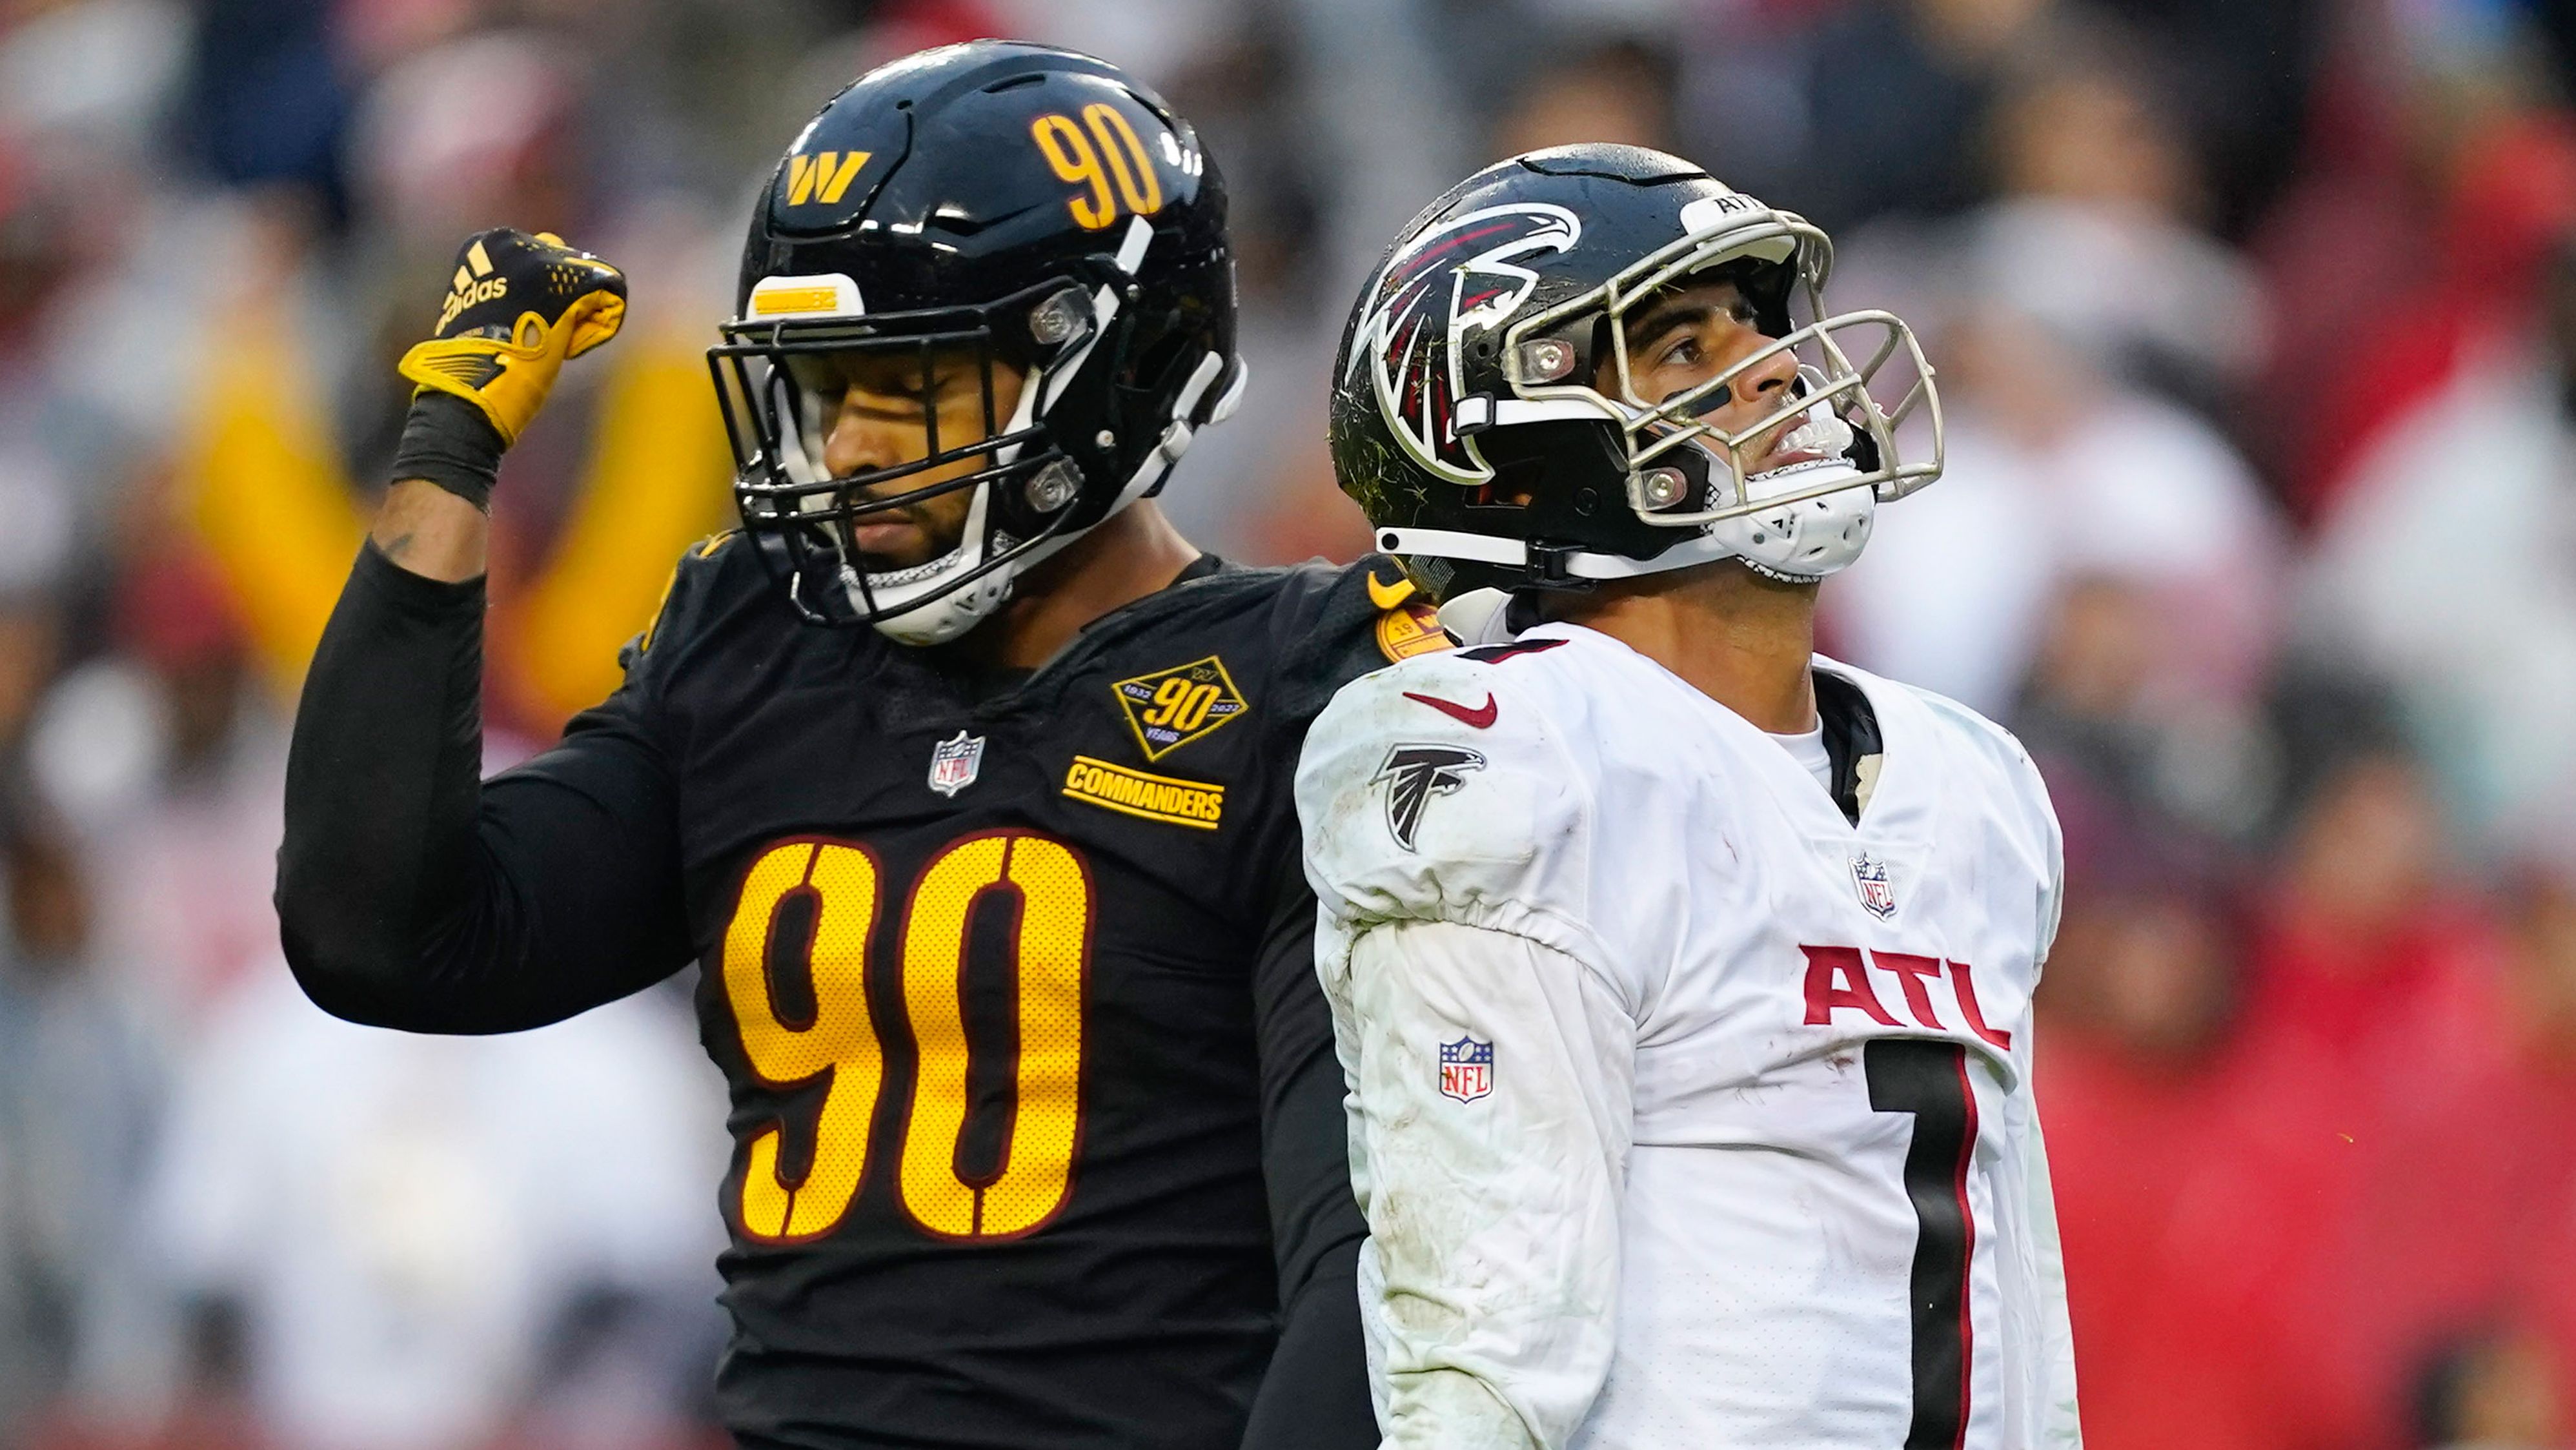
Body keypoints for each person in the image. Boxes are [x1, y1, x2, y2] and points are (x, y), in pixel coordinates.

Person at [274, 41, 1425, 1450]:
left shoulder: (1305, 688)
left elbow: (1367, 1270)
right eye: (828, 391)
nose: (857, 448)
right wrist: (447, 456)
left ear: (1109, 362)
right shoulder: (761, 640)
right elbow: (384, 932)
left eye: (915, 383)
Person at [1293, 143, 2081, 1447]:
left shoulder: (1968, 780)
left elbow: (2019, 1301)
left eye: (1755, 324)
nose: (1774, 364)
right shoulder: (1521, 749)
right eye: (1677, 349)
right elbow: (1485, 1338)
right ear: (1519, 448)